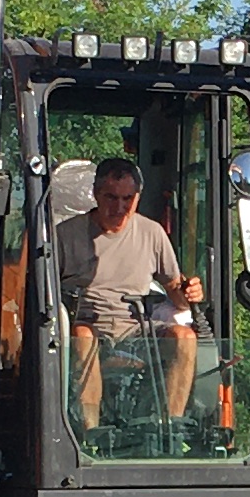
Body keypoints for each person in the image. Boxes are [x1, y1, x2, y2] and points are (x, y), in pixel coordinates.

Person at [51, 156, 202, 430]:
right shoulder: (65, 235)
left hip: (135, 330)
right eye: (111, 197)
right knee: (83, 336)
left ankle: (169, 428)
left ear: (138, 197)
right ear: (96, 195)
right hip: (85, 326)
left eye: (127, 199)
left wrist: (189, 292)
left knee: (184, 337)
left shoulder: (152, 233)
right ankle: (92, 434)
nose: (119, 207)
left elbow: (174, 290)